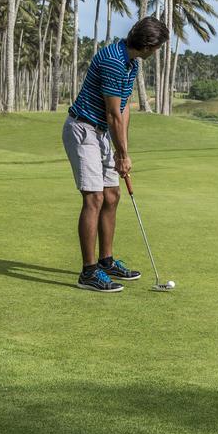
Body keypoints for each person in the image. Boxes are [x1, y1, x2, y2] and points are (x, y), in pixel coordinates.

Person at [63, 16, 170, 293]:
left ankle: (106, 261)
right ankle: (88, 273)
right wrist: (121, 155)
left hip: (102, 134)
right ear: (148, 45)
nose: (157, 52)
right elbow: (111, 114)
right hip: (84, 129)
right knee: (94, 197)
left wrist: (124, 150)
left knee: (112, 194)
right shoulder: (113, 60)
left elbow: (123, 108)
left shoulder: (131, 62)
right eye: (157, 47)